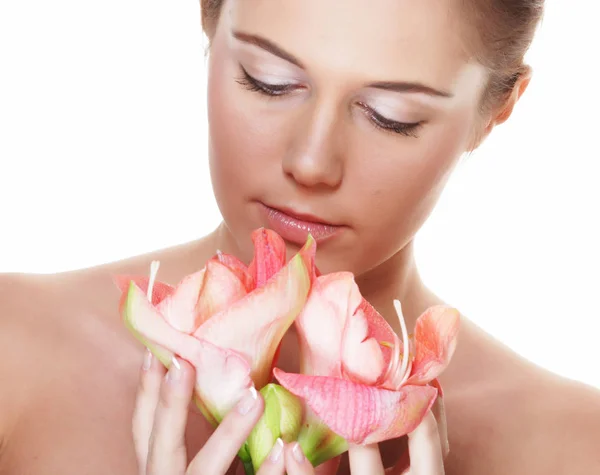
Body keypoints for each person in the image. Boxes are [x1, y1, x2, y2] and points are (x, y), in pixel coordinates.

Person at [1, 0, 599, 474]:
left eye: (392, 115)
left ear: (495, 113)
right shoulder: (16, 352)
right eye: (268, 81)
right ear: (209, 19)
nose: (311, 163)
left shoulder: (575, 449)